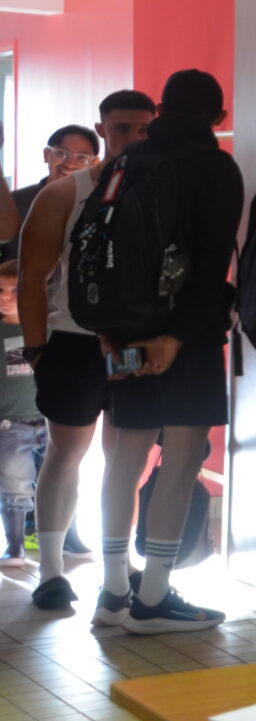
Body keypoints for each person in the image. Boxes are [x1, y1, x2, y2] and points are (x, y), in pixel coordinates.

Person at [95, 70, 246, 634]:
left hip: (123, 334)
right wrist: (177, 335)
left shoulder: (126, 160)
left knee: (126, 455)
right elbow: (211, 264)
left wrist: (110, 331)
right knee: (181, 458)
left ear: (160, 108)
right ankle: (154, 597)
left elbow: (96, 250)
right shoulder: (215, 167)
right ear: (219, 117)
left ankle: (113, 590)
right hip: (189, 337)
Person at [17, 89, 154, 610]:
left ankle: (118, 568)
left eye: (143, 129)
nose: (133, 138)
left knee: (126, 459)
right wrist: (37, 349)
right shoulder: (63, 194)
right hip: (74, 343)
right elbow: (32, 277)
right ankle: (52, 571)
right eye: (121, 128)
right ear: (102, 130)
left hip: (133, 344)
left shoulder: (160, 190)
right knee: (66, 452)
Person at [0, 262, 47, 565]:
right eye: (0, 290)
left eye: (15, 290)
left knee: (58, 481)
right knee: (14, 484)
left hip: (50, 419)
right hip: (10, 422)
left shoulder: (46, 329)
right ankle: (15, 544)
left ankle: (65, 537)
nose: (5, 297)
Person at [5, 124, 97, 260]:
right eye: (61, 153)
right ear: (46, 154)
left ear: (94, 163)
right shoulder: (15, 202)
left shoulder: (100, 206)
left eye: (81, 158)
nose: (70, 164)